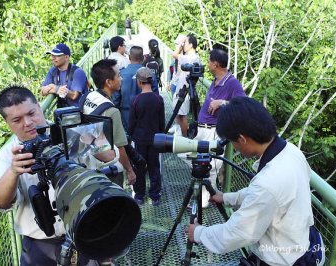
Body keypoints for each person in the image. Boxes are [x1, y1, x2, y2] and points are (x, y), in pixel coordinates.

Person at [188, 97, 325, 266]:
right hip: (300, 242)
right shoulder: (291, 152)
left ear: (242, 139)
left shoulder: (269, 182)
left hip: (281, 259)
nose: (234, 147)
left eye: (232, 142)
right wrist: (226, 198)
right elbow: (267, 198)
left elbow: (237, 233)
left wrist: (198, 233)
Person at [0, 86, 114, 265]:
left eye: (31, 113)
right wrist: (13, 171)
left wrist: (87, 136)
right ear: (7, 123)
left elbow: (110, 158)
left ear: (39, 106)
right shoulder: (9, 155)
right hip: (41, 245)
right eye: (17, 120)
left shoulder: (69, 131)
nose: (28, 122)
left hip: (86, 232)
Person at [195, 48, 246, 208]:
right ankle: (208, 195)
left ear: (216, 64)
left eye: (209, 61)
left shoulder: (231, 82)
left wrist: (222, 102)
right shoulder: (216, 80)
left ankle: (203, 202)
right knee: (196, 160)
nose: (207, 64)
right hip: (202, 129)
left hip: (213, 131)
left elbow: (244, 104)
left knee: (209, 167)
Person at [82, 59, 136, 188]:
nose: (121, 78)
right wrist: (129, 170)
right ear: (109, 82)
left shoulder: (89, 96)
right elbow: (120, 147)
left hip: (88, 160)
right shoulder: (111, 111)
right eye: (118, 75)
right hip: (108, 166)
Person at [128, 67, 165, 206]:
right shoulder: (158, 99)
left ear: (139, 82)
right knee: (154, 167)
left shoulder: (135, 100)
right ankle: (155, 196)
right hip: (155, 139)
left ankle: (139, 195)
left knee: (139, 166)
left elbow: (132, 122)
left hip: (140, 139)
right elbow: (162, 122)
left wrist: (131, 136)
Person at [113, 46, 158, 131]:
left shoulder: (121, 74)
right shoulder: (150, 73)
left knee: (128, 137)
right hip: (146, 112)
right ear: (143, 58)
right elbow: (155, 96)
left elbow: (116, 98)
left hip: (126, 113)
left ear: (129, 57)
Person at [41, 43, 88, 108]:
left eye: (57, 55)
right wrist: (55, 88)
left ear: (66, 57)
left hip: (78, 112)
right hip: (62, 111)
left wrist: (54, 88)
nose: (53, 58)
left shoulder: (77, 72)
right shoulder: (53, 70)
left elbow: (74, 96)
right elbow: (43, 91)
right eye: (52, 55)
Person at [171, 34, 201, 137]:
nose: (183, 45)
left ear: (191, 44)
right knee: (179, 114)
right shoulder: (194, 57)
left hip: (185, 90)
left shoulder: (191, 58)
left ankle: (185, 139)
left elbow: (174, 54)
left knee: (181, 115)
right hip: (184, 88)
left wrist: (179, 44)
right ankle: (184, 137)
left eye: (185, 43)